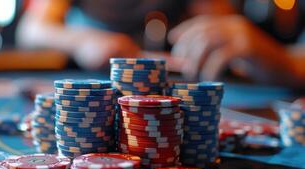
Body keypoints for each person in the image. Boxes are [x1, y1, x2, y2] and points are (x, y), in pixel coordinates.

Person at [16, 0, 305, 88]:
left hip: (170, 80)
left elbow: (222, 33)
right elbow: (31, 30)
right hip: (88, 74)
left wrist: (239, 38)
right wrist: (82, 42)